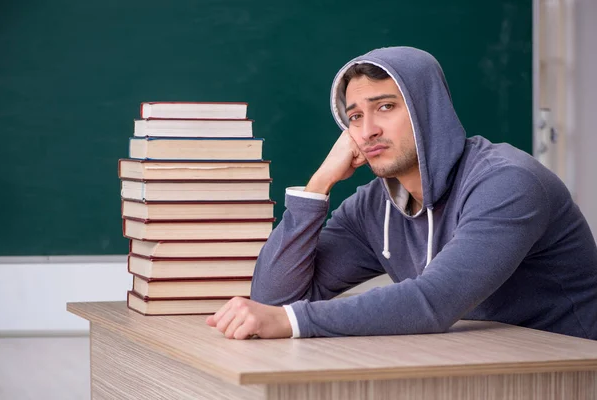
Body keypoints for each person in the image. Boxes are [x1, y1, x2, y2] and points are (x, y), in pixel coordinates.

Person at [206, 46, 597, 340]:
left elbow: (434, 302)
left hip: (568, 366)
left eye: (386, 107)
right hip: (477, 364)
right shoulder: (375, 206)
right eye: (355, 116)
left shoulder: (508, 183)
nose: (367, 129)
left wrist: (293, 322)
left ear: (428, 111)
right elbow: (273, 300)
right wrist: (318, 185)